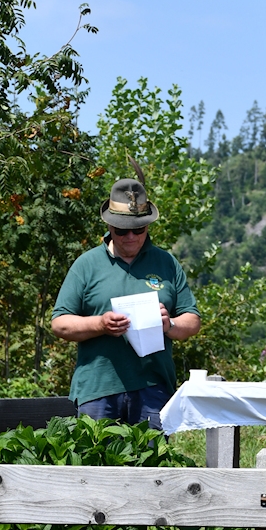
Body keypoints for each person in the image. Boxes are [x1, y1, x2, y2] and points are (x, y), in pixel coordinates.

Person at [51, 175, 201, 430]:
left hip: (153, 389)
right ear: (109, 227)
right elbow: (60, 323)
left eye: (138, 229)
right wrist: (100, 324)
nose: (130, 236)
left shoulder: (167, 263)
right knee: (95, 466)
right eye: (121, 230)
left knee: (152, 465)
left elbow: (192, 320)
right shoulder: (86, 265)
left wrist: (170, 324)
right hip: (96, 390)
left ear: (147, 226)